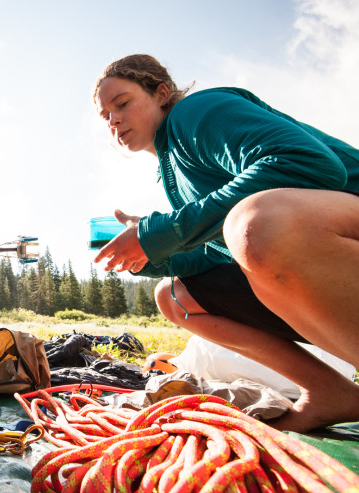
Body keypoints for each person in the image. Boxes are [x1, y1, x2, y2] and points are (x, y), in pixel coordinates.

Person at [92, 54, 359, 433]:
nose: (114, 120)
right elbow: (221, 253)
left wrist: (162, 231)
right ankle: (330, 391)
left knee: (258, 221)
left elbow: (311, 164)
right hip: (323, 266)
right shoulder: (172, 172)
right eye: (106, 116)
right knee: (175, 295)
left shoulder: (196, 112)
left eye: (122, 103)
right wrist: (150, 255)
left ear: (162, 93)